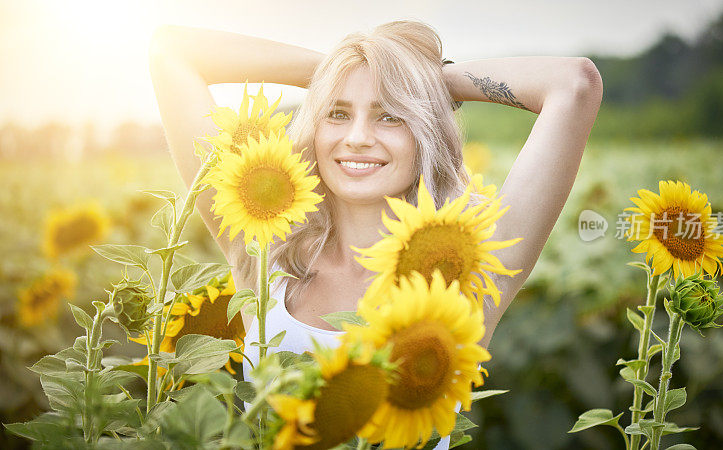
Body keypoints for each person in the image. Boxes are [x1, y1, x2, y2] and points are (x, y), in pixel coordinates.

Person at [149, 19, 602, 448]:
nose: (359, 137)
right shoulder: (264, 250)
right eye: (338, 112)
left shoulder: (469, 275)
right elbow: (173, 51)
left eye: (390, 116)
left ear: (425, 130)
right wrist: (346, 68)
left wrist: (419, 77)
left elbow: (574, 84)